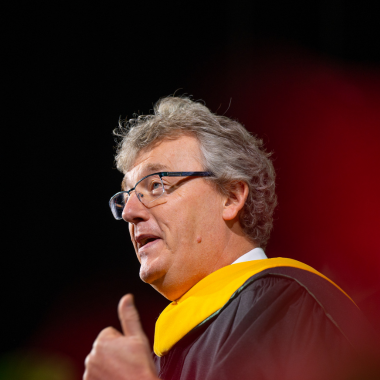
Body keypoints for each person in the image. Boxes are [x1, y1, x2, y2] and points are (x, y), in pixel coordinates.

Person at [84, 96, 378, 380]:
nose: (129, 212)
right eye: (128, 195)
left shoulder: (290, 308)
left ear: (231, 197)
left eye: (157, 184)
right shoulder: (163, 353)